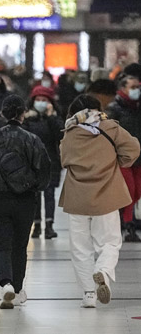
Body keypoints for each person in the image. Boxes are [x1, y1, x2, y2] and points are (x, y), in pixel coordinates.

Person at [60, 95, 140, 308]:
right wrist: (118, 163)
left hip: (77, 197)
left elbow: (64, 160)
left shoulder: (70, 132)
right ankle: (102, 270)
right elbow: (133, 148)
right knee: (110, 241)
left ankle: (88, 294)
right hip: (106, 193)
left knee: (80, 247)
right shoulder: (110, 127)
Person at [0, 95, 50, 310]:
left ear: (2, 114)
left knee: (1, 245)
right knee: (20, 245)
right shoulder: (32, 139)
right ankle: (18, 290)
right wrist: (33, 188)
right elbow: (43, 170)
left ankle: (5, 283)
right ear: (23, 113)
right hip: (24, 200)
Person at [23, 86, 64, 239]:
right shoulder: (27, 118)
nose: (40, 102)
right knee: (34, 196)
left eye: (44, 100)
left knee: (49, 194)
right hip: (32, 162)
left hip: (51, 161)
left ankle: (49, 225)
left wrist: (51, 117)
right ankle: (37, 225)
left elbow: (60, 135)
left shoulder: (55, 118)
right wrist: (27, 118)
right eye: (38, 100)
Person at [105, 74, 141, 241]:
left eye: (138, 87)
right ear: (123, 88)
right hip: (122, 157)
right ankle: (127, 225)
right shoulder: (115, 108)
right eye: (133, 87)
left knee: (137, 191)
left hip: (138, 157)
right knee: (129, 190)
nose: (137, 90)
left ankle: (124, 220)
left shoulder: (138, 107)